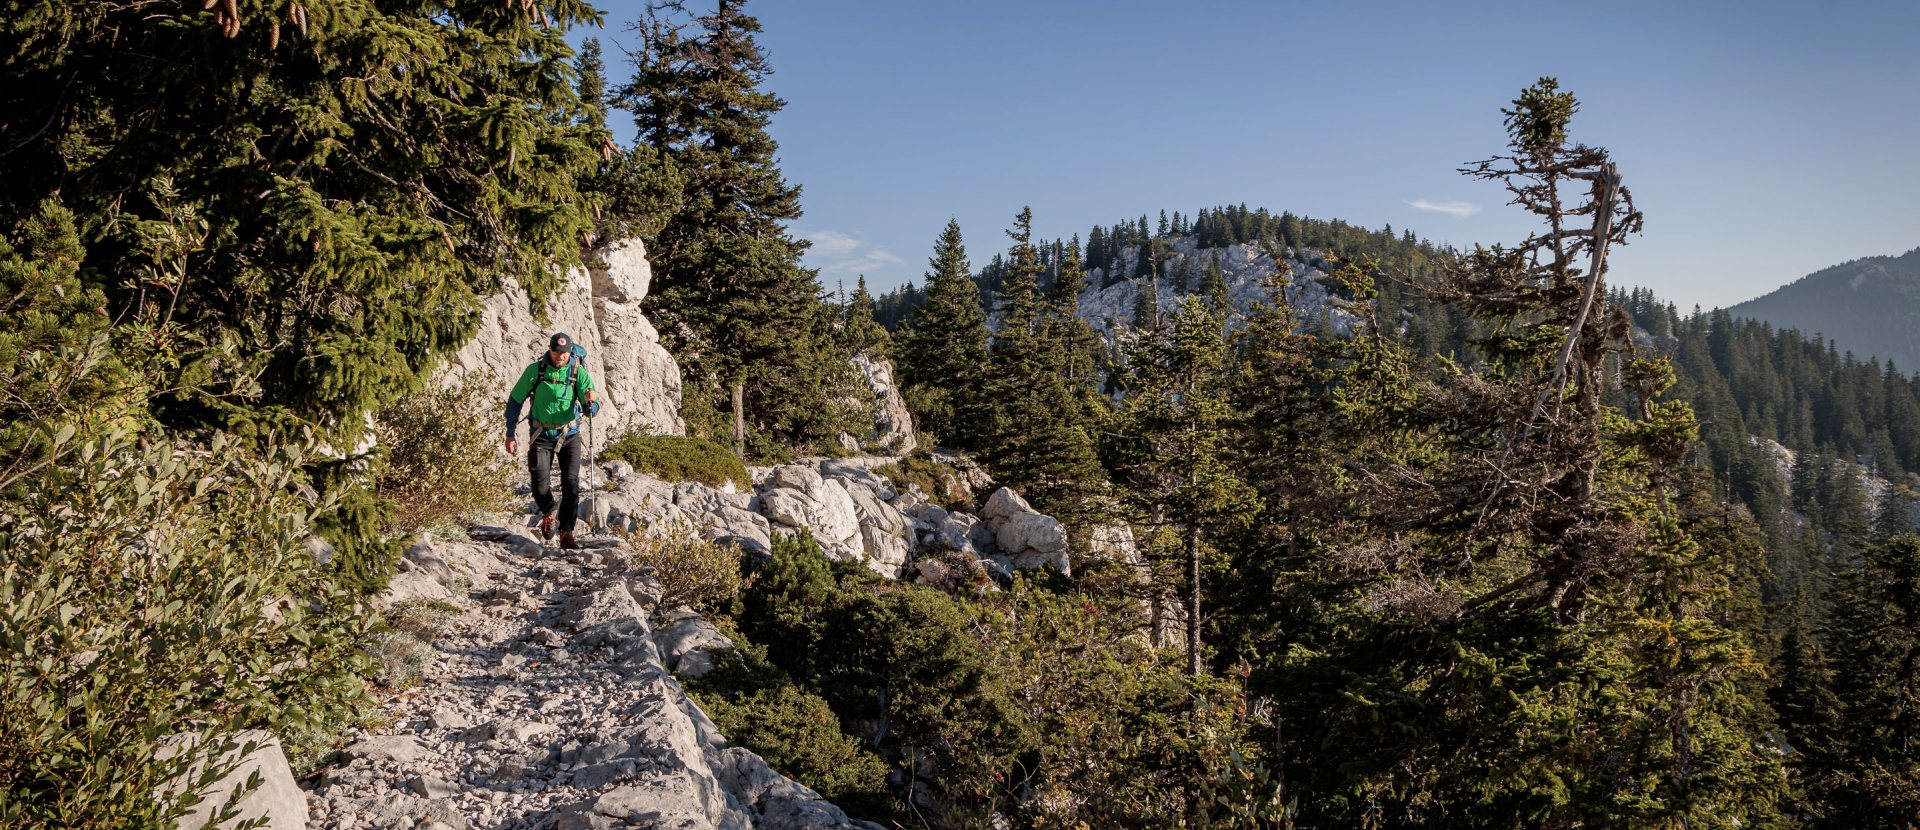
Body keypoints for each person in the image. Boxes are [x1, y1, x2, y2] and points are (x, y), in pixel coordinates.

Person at [504, 332, 598, 549]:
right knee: (539, 483)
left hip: (570, 434)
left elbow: (591, 406)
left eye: (564, 353)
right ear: (550, 350)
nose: (560, 357)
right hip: (541, 434)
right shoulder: (536, 370)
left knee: (571, 484)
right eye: (556, 352)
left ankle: (567, 532)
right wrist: (510, 433)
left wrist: (590, 405)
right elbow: (515, 401)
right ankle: (549, 511)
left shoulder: (578, 372)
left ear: (570, 352)